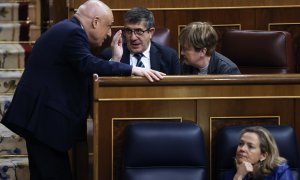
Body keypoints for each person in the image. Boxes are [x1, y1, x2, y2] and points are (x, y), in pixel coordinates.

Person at [0, 0, 165, 179]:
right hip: (44, 121)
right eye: (108, 26)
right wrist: (133, 69)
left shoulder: (68, 29)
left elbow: (83, 70)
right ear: (95, 22)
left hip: (41, 120)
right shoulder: (72, 32)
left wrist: (116, 60)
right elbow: (87, 63)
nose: (109, 33)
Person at [99, 7, 180, 75]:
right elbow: (101, 87)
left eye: (139, 31)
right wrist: (115, 60)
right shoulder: (109, 55)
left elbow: (178, 89)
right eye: (128, 31)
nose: (133, 38)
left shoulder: (169, 56)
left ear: (151, 32)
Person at [224, 126, 294, 180]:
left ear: (263, 155)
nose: (242, 149)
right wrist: (239, 176)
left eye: (250, 146)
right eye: (241, 144)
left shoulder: (280, 171)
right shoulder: (231, 174)